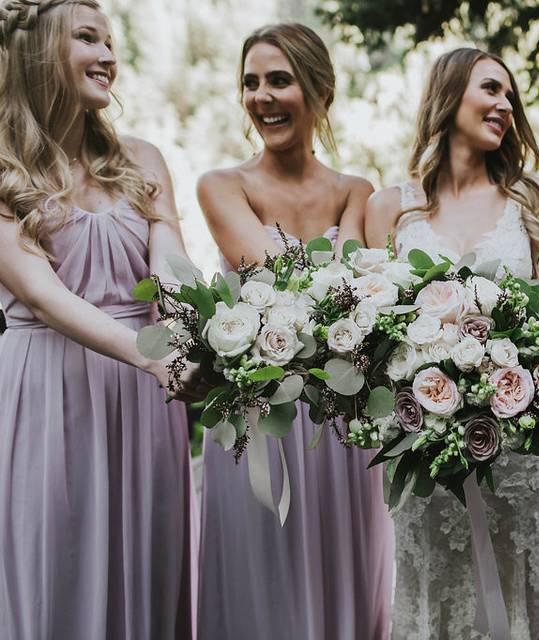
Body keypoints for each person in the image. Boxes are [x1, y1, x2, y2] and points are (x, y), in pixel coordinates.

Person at [0, 1, 200, 637]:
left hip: (147, 395)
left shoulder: (142, 158)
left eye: (111, 42)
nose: (109, 56)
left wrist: (208, 328)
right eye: (88, 39)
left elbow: (171, 264)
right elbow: (39, 292)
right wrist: (149, 354)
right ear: (38, 52)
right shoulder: (5, 166)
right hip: (49, 390)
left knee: (150, 566)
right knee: (57, 567)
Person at [195, 23, 392, 640]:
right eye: (250, 84)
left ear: (319, 89)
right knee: (262, 580)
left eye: (279, 81)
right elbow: (285, 280)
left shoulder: (357, 190)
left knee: (344, 571)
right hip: (259, 416)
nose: (262, 97)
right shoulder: (223, 186)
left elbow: (361, 298)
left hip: (342, 417)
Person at [360, 47, 539, 639]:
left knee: (518, 593)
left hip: (517, 444)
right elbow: (375, 337)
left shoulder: (531, 204)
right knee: (435, 591)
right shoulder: (389, 209)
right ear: (449, 95)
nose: (504, 105)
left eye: (509, 96)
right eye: (491, 89)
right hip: (424, 446)